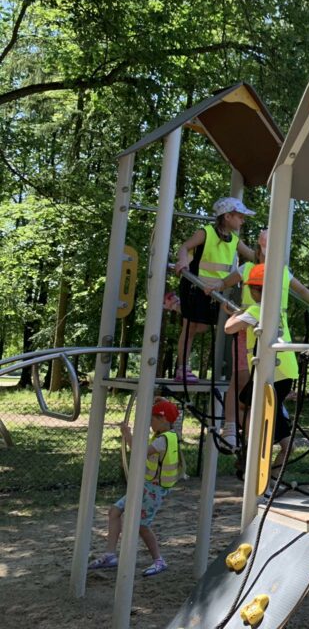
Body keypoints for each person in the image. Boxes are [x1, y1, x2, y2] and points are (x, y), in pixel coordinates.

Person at [211, 229, 309, 450]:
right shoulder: (248, 269)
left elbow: (302, 290)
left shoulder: (282, 272)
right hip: (249, 329)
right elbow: (224, 283)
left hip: (264, 328)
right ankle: (233, 429)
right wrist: (216, 289)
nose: (268, 255)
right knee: (242, 383)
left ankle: (259, 435)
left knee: (255, 390)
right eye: (266, 250)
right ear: (259, 251)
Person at [88, 398, 181, 576]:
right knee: (115, 511)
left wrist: (126, 434)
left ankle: (159, 560)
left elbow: (139, 452)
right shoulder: (165, 436)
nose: (150, 423)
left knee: (141, 525)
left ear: (162, 419)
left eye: (152, 420)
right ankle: (110, 554)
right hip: (145, 486)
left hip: (153, 490)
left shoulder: (164, 439)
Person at [224, 264, 299, 481]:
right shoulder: (276, 309)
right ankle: (269, 480)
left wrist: (237, 313)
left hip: (271, 372)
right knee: (283, 436)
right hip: (285, 371)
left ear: (255, 291)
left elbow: (230, 328)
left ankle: (254, 447)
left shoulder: (257, 310)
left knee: (244, 406)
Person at [172, 197, 256, 381]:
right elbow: (185, 247)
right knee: (190, 327)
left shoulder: (234, 239)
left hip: (213, 292)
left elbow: (253, 255)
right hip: (195, 285)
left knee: (202, 326)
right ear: (227, 216)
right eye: (240, 217)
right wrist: (183, 259)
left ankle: (176, 306)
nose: (242, 221)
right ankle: (182, 368)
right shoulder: (205, 233)